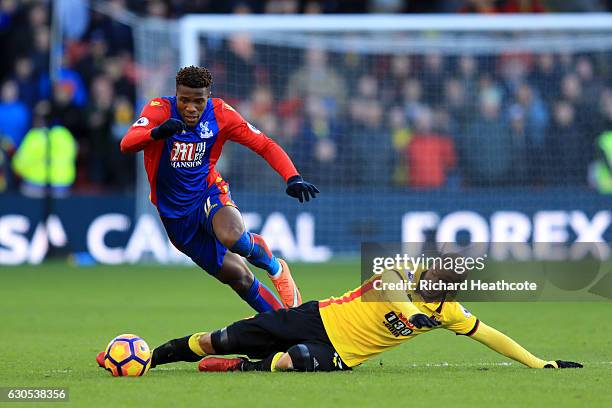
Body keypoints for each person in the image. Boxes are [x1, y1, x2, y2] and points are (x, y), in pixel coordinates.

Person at [124, 261, 582, 373]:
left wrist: (539, 362)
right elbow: (391, 291)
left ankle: (246, 368)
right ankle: (155, 358)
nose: (429, 288)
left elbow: (490, 335)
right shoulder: (399, 272)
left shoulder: (451, 312)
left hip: (343, 353)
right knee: (218, 339)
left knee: (292, 362)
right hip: (316, 318)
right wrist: (411, 315)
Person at [119, 66, 318, 313]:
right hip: (176, 217)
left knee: (232, 235)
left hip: (208, 192)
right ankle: (285, 326)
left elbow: (264, 145)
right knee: (239, 278)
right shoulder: (159, 109)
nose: (190, 108)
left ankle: (275, 267)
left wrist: (293, 177)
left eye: (198, 101)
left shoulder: (221, 113)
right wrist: (157, 132)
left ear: (208, 97)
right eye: (184, 100)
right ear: (176, 95)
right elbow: (127, 144)